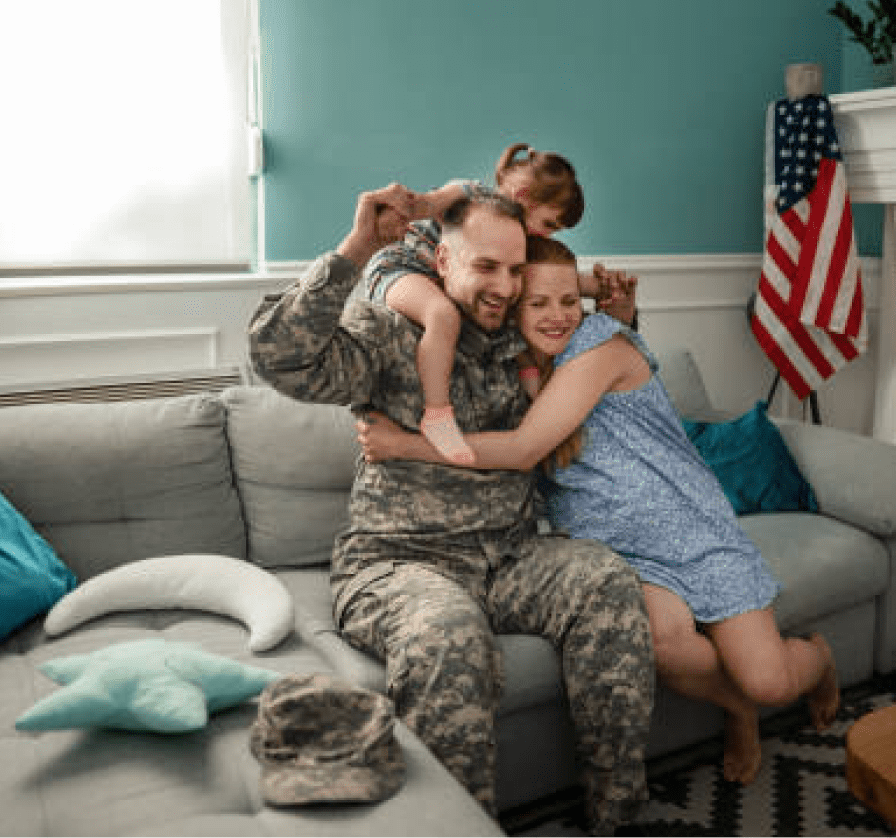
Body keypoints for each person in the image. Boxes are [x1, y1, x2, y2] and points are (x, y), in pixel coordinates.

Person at [359, 235, 842, 786]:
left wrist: (405, 444)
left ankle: (816, 660)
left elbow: (521, 451)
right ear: (513, 303)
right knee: (663, 644)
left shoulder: (602, 343)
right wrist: (575, 284)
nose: (558, 315)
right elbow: (439, 268)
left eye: (570, 300)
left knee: (770, 682)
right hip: (619, 553)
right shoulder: (514, 370)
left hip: (692, 531)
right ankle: (738, 709)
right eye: (538, 302)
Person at [248, 186, 655, 835]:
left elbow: (599, 390)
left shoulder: (527, 341)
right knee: (448, 634)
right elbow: (280, 357)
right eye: (485, 266)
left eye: (515, 269)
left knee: (605, 579)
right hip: (399, 565)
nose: (503, 285)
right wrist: (357, 249)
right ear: (442, 264)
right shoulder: (391, 334)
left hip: (513, 554)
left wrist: (621, 317)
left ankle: (618, 816)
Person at [362, 143, 630, 464]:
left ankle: (534, 395)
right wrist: (403, 207)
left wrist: (597, 286)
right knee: (442, 315)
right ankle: (437, 414)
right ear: (523, 197)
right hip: (402, 268)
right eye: (549, 225)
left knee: (509, 331)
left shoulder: (515, 247)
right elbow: (428, 203)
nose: (549, 237)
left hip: (438, 277)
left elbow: (545, 281)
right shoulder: (469, 195)